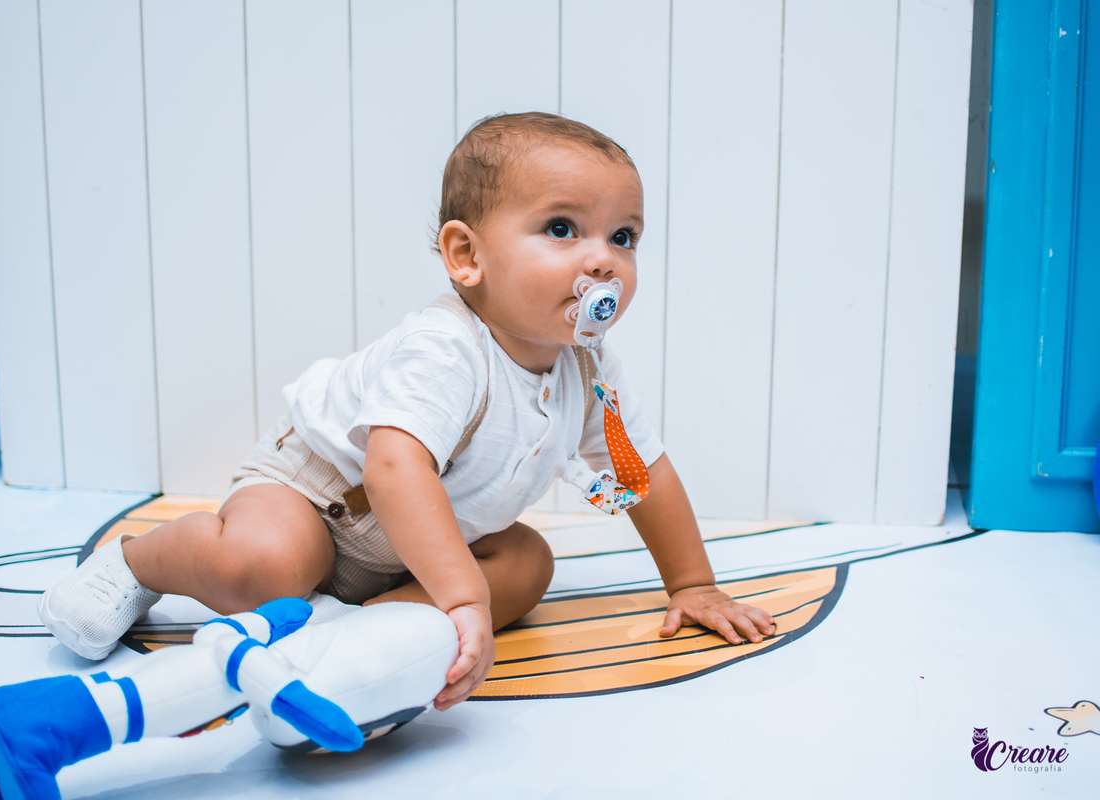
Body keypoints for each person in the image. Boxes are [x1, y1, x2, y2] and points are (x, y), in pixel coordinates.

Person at [38, 112, 776, 713]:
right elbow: (394, 466)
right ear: (466, 256)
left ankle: (360, 635)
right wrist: (459, 593)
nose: (604, 260)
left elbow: (641, 470)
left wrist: (691, 583)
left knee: (527, 564)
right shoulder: (446, 346)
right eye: (562, 229)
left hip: (418, 544)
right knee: (265, 567)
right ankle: (139, 562)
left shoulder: (588, 370)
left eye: (623, 237)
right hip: (321, 498)